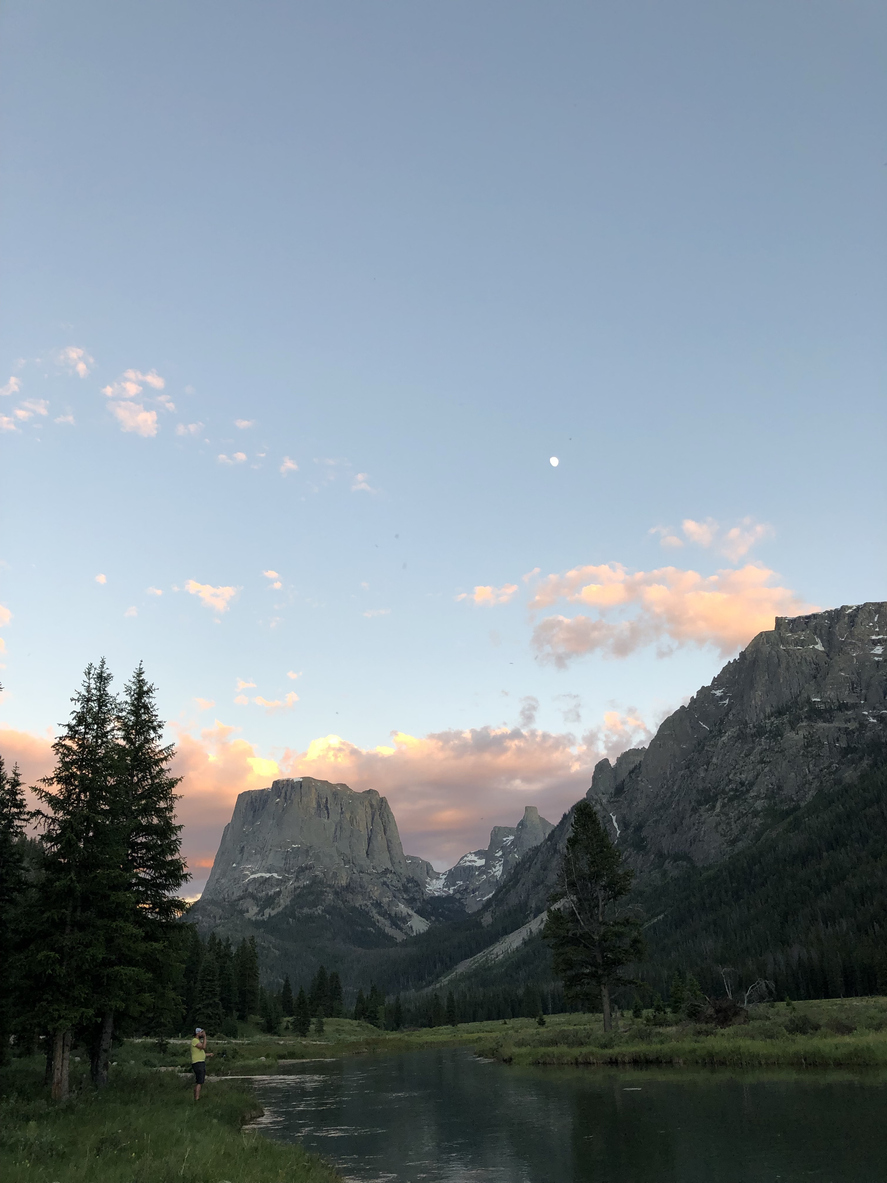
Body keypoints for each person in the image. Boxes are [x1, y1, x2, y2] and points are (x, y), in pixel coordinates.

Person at [190, 1027, 213, 1100]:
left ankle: (196, 1097)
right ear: (197, 1033)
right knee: (200, 1081)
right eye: (201, 1032)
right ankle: (197, 1098)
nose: (202, 1034)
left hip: (200, 1062)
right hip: (198, 1063)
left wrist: (208, 1054)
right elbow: (203, 1047)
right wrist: (205, 1037)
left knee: (199, 1081)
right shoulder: (195, 1041)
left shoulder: (197, 1042)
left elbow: (200, 1053)